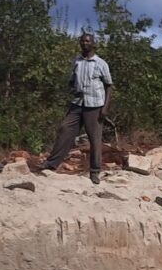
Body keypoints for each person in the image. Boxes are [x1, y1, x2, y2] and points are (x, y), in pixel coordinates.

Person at [39, 33, 113, 184]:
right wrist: (74, 87)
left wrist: (105, 108)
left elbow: (109, 86)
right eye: (82, 41)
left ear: (93, 44)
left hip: (94, 106)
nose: (84, 43)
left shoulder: (100, 63)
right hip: (78, 103)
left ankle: (94, 172)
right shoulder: (77, 61)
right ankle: (51, 163)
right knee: (65, 129)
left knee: (95, 139)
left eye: (88, 41)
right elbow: (72, 80)